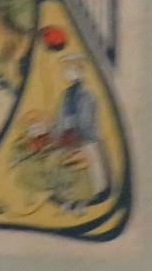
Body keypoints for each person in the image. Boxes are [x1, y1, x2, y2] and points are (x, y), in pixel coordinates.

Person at [47, 51, 110, 210]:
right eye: (66, 69)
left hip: (85, 137)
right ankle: (67, 197)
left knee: (89, 169)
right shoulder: (66, 94)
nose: (68, 73)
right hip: (67, 137)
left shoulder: (88, 94)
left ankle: (91, 197)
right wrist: (56, 134)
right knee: (62, 163)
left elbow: (87, 119)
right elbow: (59, 117)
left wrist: (75, 131)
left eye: (71, 69)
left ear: (80, 71)